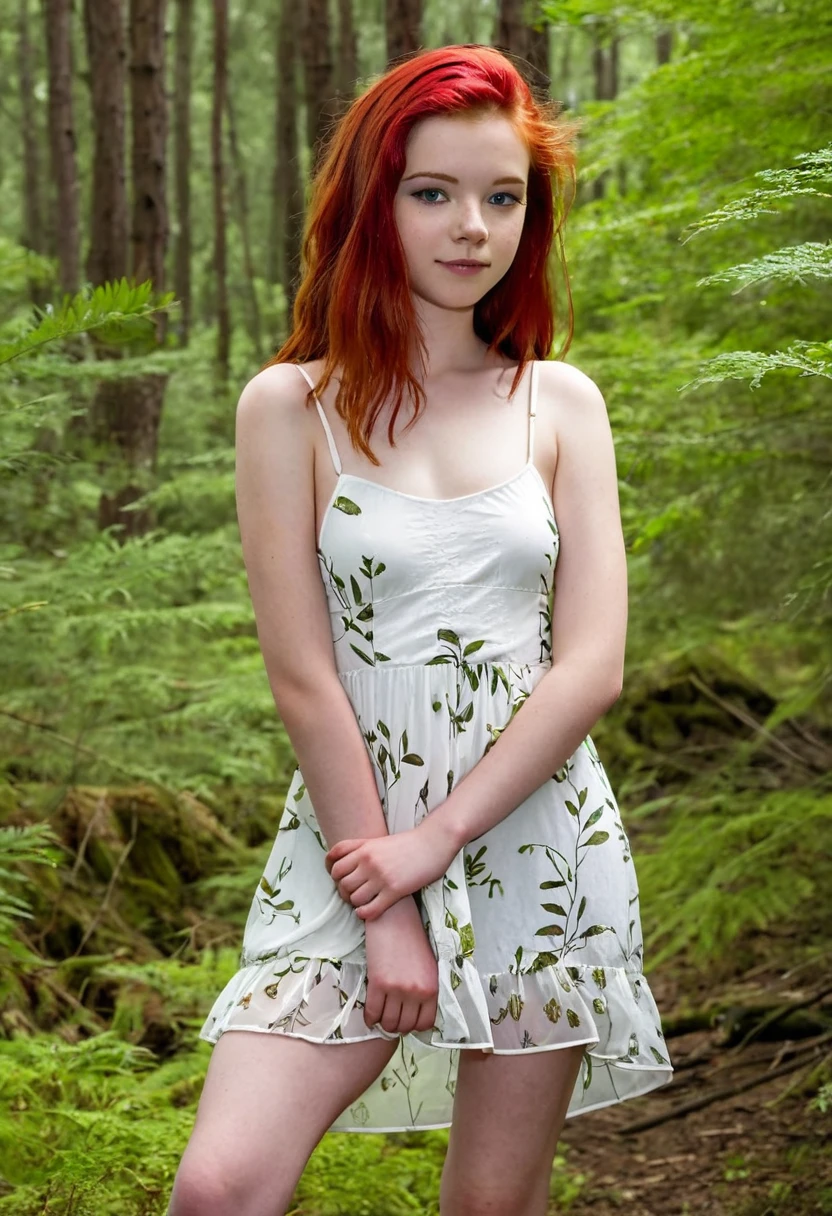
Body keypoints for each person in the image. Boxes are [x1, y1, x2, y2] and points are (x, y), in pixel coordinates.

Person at [169, 43, 673, 1216]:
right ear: (371, 200)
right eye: (432, 192)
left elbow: (590, 666)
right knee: (222, 1184)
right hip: (351, 849)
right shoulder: (289, 408)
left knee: (493, 1204)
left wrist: (438, 839)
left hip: (535, 836)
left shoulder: (561, 404)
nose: (470, 227)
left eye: (501, 198)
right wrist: (387, 895)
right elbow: (301, 675)